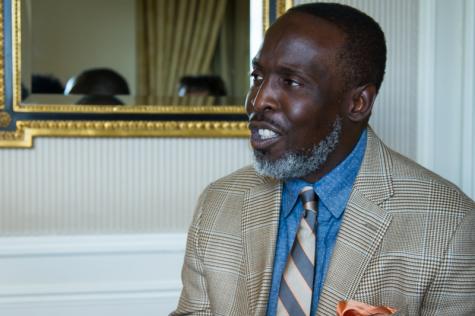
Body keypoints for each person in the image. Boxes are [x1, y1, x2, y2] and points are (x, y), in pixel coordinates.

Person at [171, 3, 475, 316]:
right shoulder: (218, 203)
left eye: (291, 82)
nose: (258, 100)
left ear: (358, 102)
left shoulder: (450, 226)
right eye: (257, 76)